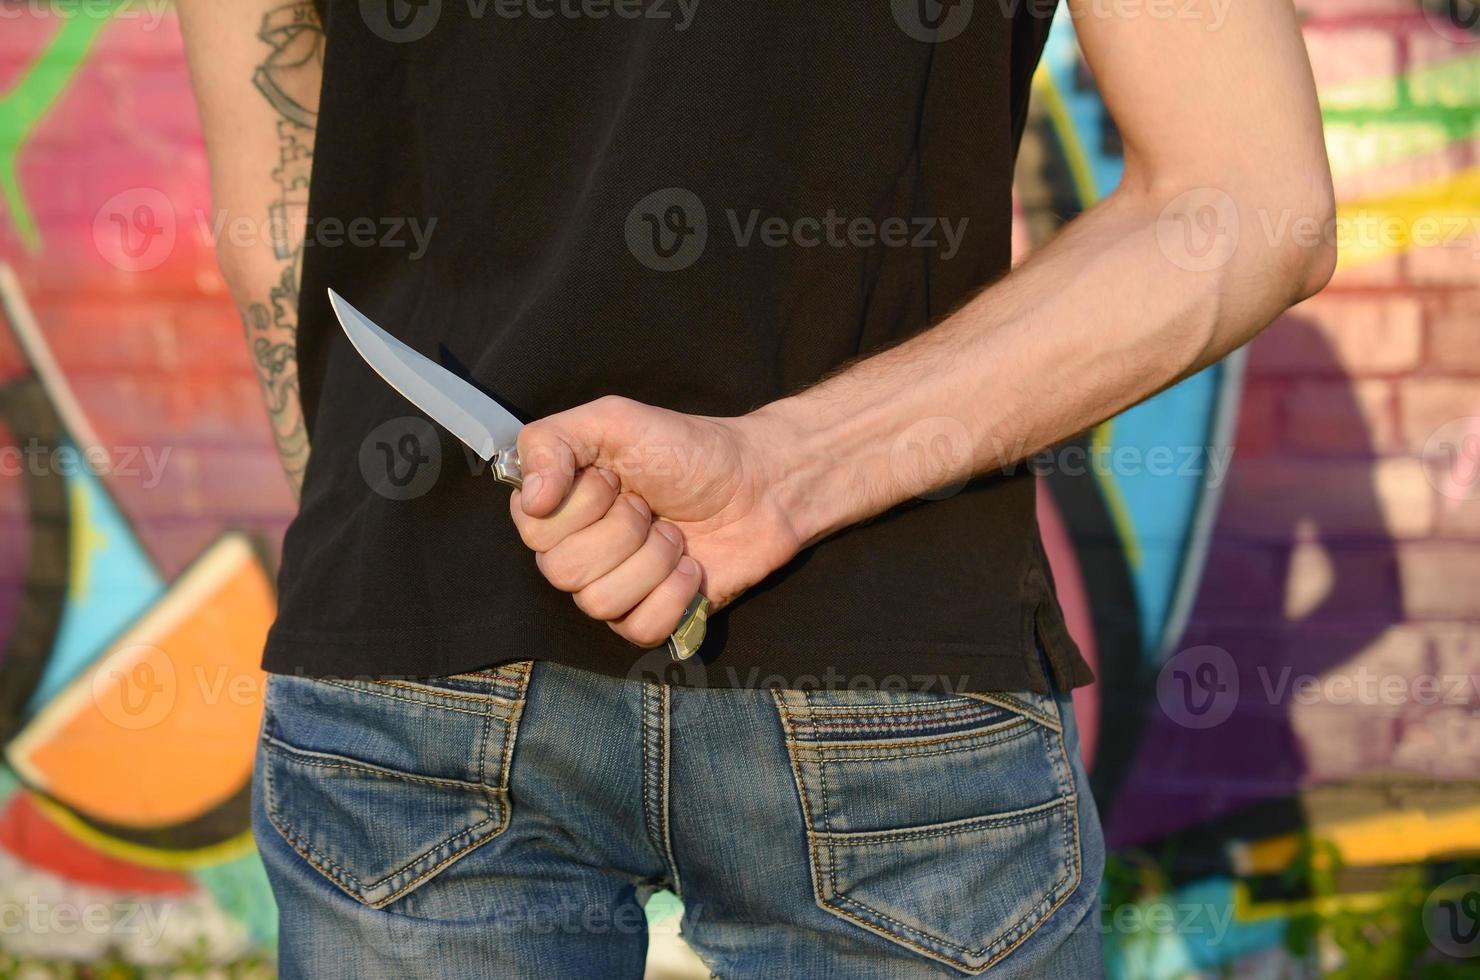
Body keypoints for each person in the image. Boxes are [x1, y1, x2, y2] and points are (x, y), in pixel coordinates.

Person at [179, 1, 1334, 976]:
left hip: (413, 651)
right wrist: (791, 465)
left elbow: (274, 218)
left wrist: (392, 556)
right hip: (892, 671)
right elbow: (1239, 200)